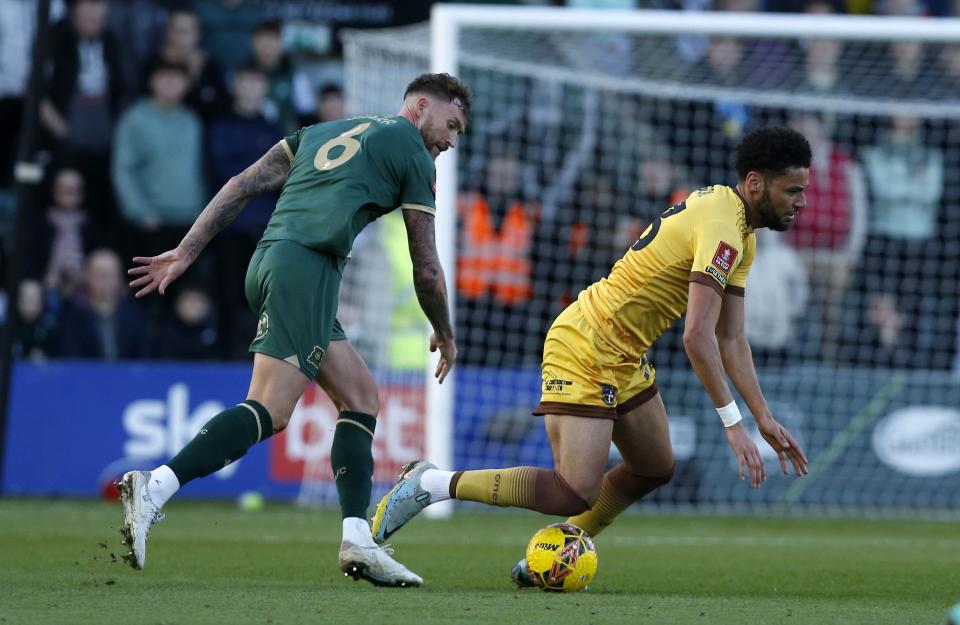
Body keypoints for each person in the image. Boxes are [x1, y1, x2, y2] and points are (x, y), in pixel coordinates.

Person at [370, 126, 811, 585]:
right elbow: (697, 337)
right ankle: (430, 485)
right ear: (756, 182)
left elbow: (732, 339)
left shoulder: (740, 230)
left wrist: (763, 417)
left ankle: (561, 547)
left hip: (624, 351)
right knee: (572, 489)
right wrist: (733, 425)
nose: (801, 201)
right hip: (588, 342)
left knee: (655, 466)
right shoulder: (724, 228)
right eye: (792, 190)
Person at [117, 73, 471, 588]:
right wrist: (446, 330)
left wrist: (187, 250)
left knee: (361, 397)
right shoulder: (411, 152)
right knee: (271, 409)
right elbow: (427, 269)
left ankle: (359, 539)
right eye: (452, 124)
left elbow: (242, 185)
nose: (452, 139)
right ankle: (156, 485)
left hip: (273, 260)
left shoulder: (324, 130)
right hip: (306, 268)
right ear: (420, 106)